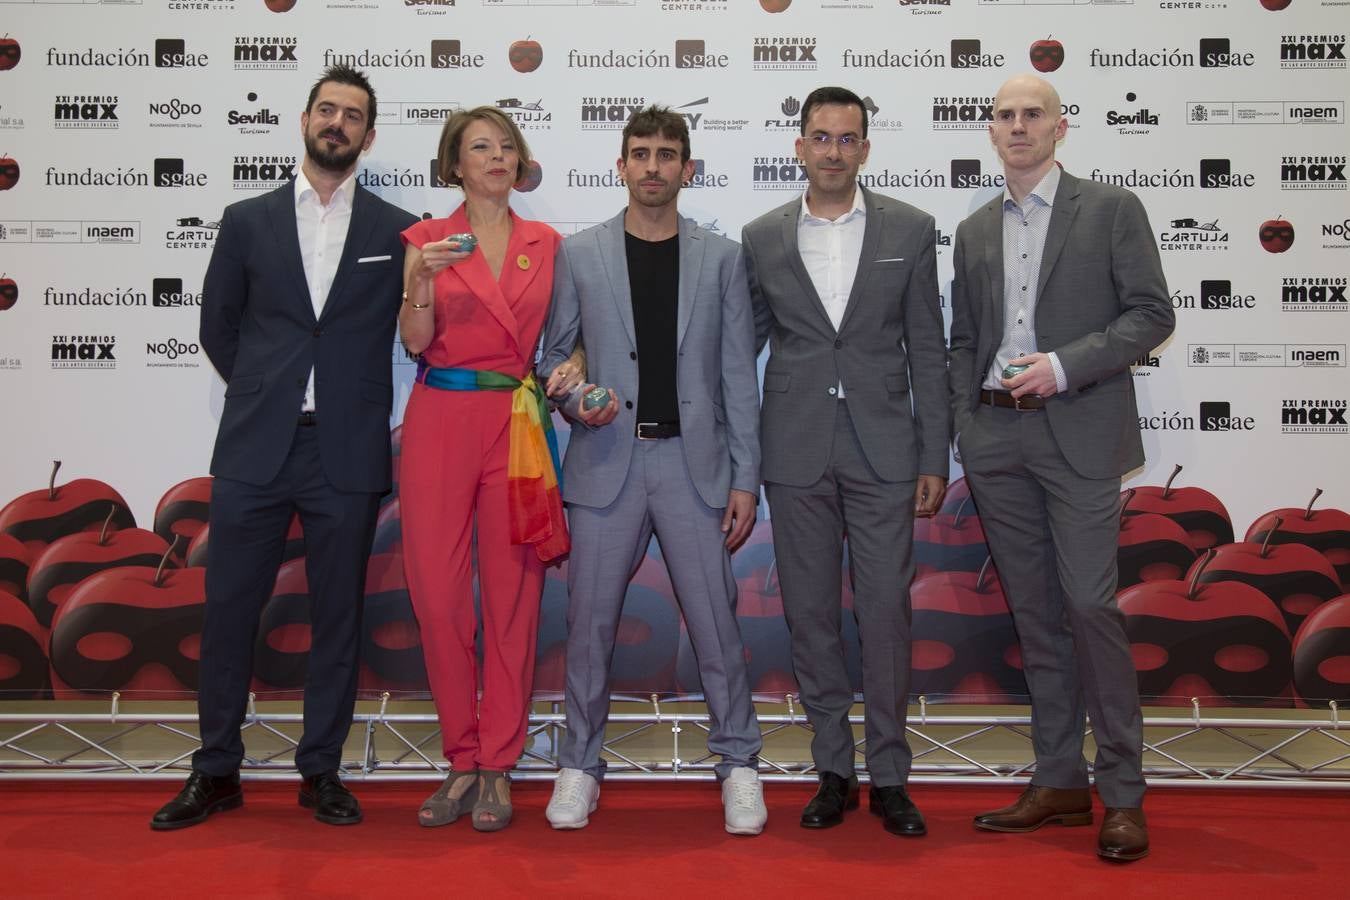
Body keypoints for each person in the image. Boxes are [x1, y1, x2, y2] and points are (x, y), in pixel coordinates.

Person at [152, 65, 417, 830]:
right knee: (229, 612)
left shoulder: (395, 230)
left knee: (337, 619)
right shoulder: (246, 220)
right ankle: (215, 771)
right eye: (326, 110)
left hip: (346, 454)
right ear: (305, 120)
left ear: (369, 135)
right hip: (256, 449)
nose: (337, 123)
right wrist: (270, 391)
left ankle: (321, 771)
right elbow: (217, 326)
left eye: (353, 115)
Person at [948, 73, 1174, 862]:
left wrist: (1065, 367)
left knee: (1089, 607)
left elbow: (1152, 314)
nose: (1018, 126)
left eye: (1032, 114)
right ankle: (1059, 781)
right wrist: (964, 427)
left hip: (1078, 432)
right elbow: (960, 343)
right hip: (995, 443)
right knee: (1035, 615)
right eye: (1005, 115)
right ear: (991, 130)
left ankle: (1123, 793)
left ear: (1060, 127)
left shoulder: (1110, 209)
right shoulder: (974, 229)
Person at [538, 106, 766, 835]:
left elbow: (739, 376)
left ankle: (738, 765)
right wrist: (573, 393)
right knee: (590, 625)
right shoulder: (579, 254)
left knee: (717, 629)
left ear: (687, 169)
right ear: (621, 165)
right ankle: (579, 765)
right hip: (607, 465)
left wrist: (744, 478)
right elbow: (554, 358)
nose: (653, 166)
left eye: (668, 154)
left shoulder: (723, 259)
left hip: (694, 467)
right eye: (640, 153)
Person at [741, 86, 949, 837]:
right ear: (799, 147)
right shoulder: (762, 234)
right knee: (810, 613)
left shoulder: (912, 227)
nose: (833, 150)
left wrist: (935, 452)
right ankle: (834, 768)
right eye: (820, 138)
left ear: (865, 148)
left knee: (887, 610)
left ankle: (891, 773)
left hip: (886, 445)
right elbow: (745, 351)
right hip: (794, 446)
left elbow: (928, 345)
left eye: (846, 138)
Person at [398, 106, 575, 833]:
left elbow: (567, 340)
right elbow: (414, 339)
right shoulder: (425, 240)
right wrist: (419, 281)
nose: (497, 156)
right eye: (480, 147)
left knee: (511, 601)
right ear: (455, 165)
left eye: (506, 145)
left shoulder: (548, 243)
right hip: (440, 417)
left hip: (515, 422)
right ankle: (459, 756)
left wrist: (574, 369)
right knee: (439, 601)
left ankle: (496, 764)